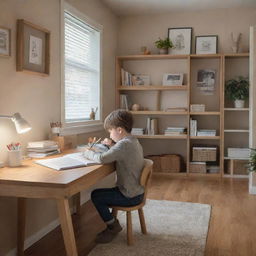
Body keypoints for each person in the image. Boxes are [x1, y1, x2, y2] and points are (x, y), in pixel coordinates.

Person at [83, 109, 144, 244]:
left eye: (111, 131)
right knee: (100, 194)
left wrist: (87, 152)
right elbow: (120, 152)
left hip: (129, 196)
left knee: (96, 196)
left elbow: (102, 159)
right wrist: (111, 145)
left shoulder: (123, 145)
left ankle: (112, 226)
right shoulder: (132, 141)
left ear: (120, 130)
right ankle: (112, 224)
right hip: (137, 192)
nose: (110, 134)